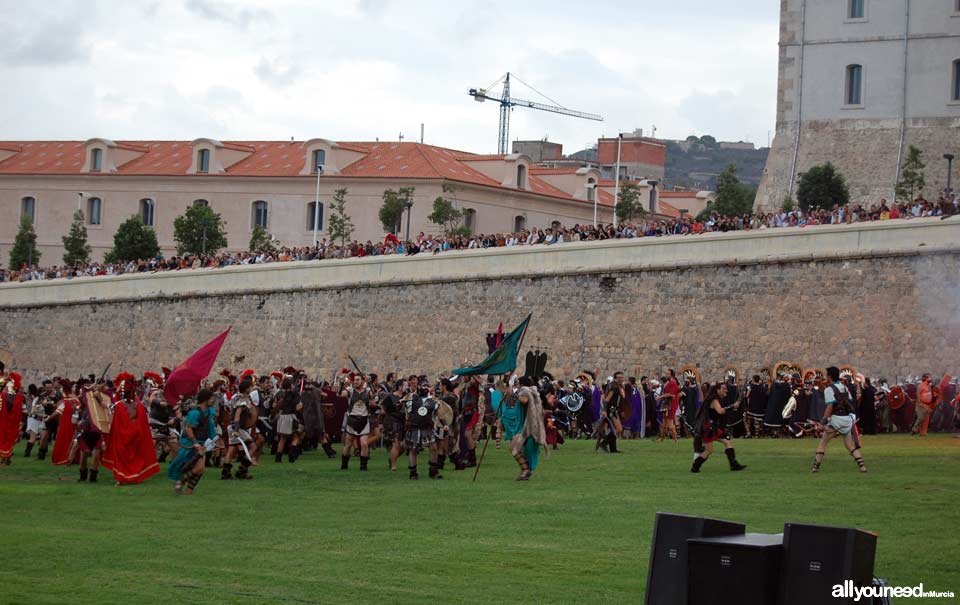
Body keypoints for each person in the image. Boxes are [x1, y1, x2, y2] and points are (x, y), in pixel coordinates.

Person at [102, 373, 159, 485]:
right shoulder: (137, 407)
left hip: (126, 437)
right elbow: (142, 426)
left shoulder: (121, 407)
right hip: (133, 436)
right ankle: (132, 476)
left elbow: (116, 425)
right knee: (133, 456)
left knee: (123, 456)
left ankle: (122, 478)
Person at [811, 366, 867, 473]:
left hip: (836, 420)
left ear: (830, 376)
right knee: (850, 445)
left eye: (827, 375)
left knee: (822, 443)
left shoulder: (829, 389)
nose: (826, 377)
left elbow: (830, 407)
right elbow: (849, 402)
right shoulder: (844, 387)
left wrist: (822, 422)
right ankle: (862, 467)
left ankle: (815, 467)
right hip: (847, 420)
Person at [488, 383, 547, 481]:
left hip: (526, 427)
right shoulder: (521, 393)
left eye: (519, 383)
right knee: (514, 448)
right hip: (521, 426)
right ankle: (525, 469)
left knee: (513, 448)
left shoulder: (526, 392)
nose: (518, 385)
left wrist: (512, 393)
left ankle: (525, 469)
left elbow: (524, 400)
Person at [168, 389, 218, 495]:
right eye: (211, 398)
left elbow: (210, 427)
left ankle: (189, 490)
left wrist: (215, 440)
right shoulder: (195, 413)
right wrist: (195, 442)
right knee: (199, 467)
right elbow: (188, 429)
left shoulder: (208, 411)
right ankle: (181, 480)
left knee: (200, 469)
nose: (213, 400)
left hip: (203, 442)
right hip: (190, 442)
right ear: (205, 399)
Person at [690, 382, 746, 473]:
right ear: (717, 390)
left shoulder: (716, 399)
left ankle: (733, 464)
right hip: (708, 428)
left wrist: (732, 407)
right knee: (709, 450)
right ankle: (695, 466)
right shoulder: (714, 399)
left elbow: (720, 411)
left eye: (726, 388)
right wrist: (732, 406)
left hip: (712, 427)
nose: (726, 390)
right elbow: (720, 411)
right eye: (724, 389)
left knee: (727, 442)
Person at [403, 379, 440, 480]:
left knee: (433, 448)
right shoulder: (411, 399)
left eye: (427, 386)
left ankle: (433, 471)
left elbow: (437, 414)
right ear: (418, 387)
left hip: (427, 427)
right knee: (413, 450)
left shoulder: (433, 401)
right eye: (423, 386)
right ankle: (413, 473)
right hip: (414, 427)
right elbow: (407, 413)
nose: (425, 388)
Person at [221, 377, 257, 480]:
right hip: (237, 428)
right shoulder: (242, 400)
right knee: (253, 446)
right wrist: (236, 430)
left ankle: (226, 473)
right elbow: (237, 415)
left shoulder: (236, 397)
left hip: (234, 427)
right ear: (246, 389)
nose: (251, 389)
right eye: (250, 387)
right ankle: (242, 470)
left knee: (231, 450)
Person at [340, 373, 373, 471]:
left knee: (364, 444)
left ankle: (363, 466)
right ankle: (344, 465)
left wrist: (370, 382)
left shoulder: (367, 391)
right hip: (352, 420)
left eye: (358, 380)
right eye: (355, 380)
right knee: (348, 444)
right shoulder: (350, 390)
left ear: (363, 381)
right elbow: (340, 394)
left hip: (364, 419)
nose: (355, 381)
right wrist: (342, 383)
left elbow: (374, 395)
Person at [0, 373, 24, 466]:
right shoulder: (19, 397)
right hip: (14, 422)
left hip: (4, 421)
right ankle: (6, 459)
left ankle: (4, 460)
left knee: (4, 440)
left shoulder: (3, 396)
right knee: (10, 440)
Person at [657, 371, 680, 443]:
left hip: (671, 404)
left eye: (668, 374)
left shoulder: (673, 383)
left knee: (670, 423)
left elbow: (670, 394)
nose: (666, 375)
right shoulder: (670, 383)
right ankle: (662, 439)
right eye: (666, 373)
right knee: (664, 423)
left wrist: (660, 397)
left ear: (672, 375)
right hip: (667, 404)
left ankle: (676, 440)